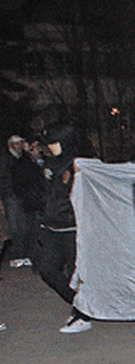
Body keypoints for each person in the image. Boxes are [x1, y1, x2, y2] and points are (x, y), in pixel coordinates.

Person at [34, 124, 92, 333]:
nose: (50, 147)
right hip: (52, 226)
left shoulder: (77, 163)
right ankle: (79, 305)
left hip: (72, 226)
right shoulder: (51, 164)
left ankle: (82, 316)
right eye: (48, 144)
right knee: (48, 270)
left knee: (75, 273)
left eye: (54, 143)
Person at [3, 135, 41, 268]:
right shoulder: (6, 159)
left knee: (24, 226)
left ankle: (24, 254)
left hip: (22, 195)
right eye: (18, 144)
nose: (20, 146)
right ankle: (17, 255)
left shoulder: (22, 158)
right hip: (11, 195)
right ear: (11, 145)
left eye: (21, 143)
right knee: (15, 226)